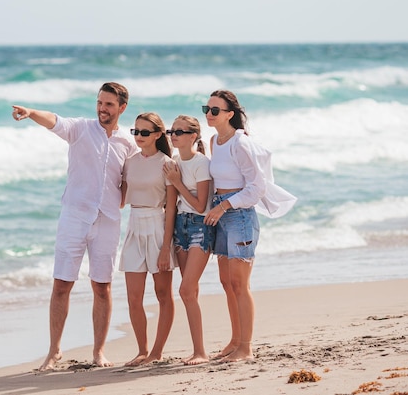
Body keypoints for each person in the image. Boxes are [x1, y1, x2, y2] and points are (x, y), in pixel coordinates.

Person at [12, 82, 139, 371]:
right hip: (74, 217)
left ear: (121, 108)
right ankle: (54, 351)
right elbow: (53, 120)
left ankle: (99, 352)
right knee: (61, 285)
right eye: (99, 102)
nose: (102, 108)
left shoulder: (128, 144)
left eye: (108, 104)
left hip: (107, 221)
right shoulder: (80, 129)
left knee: (102, 287)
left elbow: (134, 178)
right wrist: (31, 112)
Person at [202, 89, 297, 362]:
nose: (209, 114)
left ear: (230, 114)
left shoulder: (240, 144)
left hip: (239, 215)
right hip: (220, 214)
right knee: (225, 282)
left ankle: (246, 346)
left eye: (215, 110)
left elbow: (256, 188)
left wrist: (223, 206)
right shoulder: (214, 141)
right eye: (206, 109)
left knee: (239, 283)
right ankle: (234, 341)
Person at [119, 112, 177, 366]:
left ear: (157, 134)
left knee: (163, 294)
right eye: (135, 132)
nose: (139, 137)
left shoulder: (167, 163)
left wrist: (166, 247)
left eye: (144, 132)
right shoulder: (129, 162)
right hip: (133, 226)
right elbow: (120, 198)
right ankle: (142, 350)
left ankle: (157, 351)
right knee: (133, 297)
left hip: (157, 226)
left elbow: (172, 208)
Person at [163, 115, 214, 365]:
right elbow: (171, 206)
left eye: (180, 132)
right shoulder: (173, 161)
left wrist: (176, 182)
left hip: (200, 227)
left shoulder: (201, 163)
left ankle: (201, 352)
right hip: (180, 228)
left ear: (193, 136)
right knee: (189, 291)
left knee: (185, 289)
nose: (174, 135)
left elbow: (200, 205)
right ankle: (199, 350)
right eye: (172, 131)